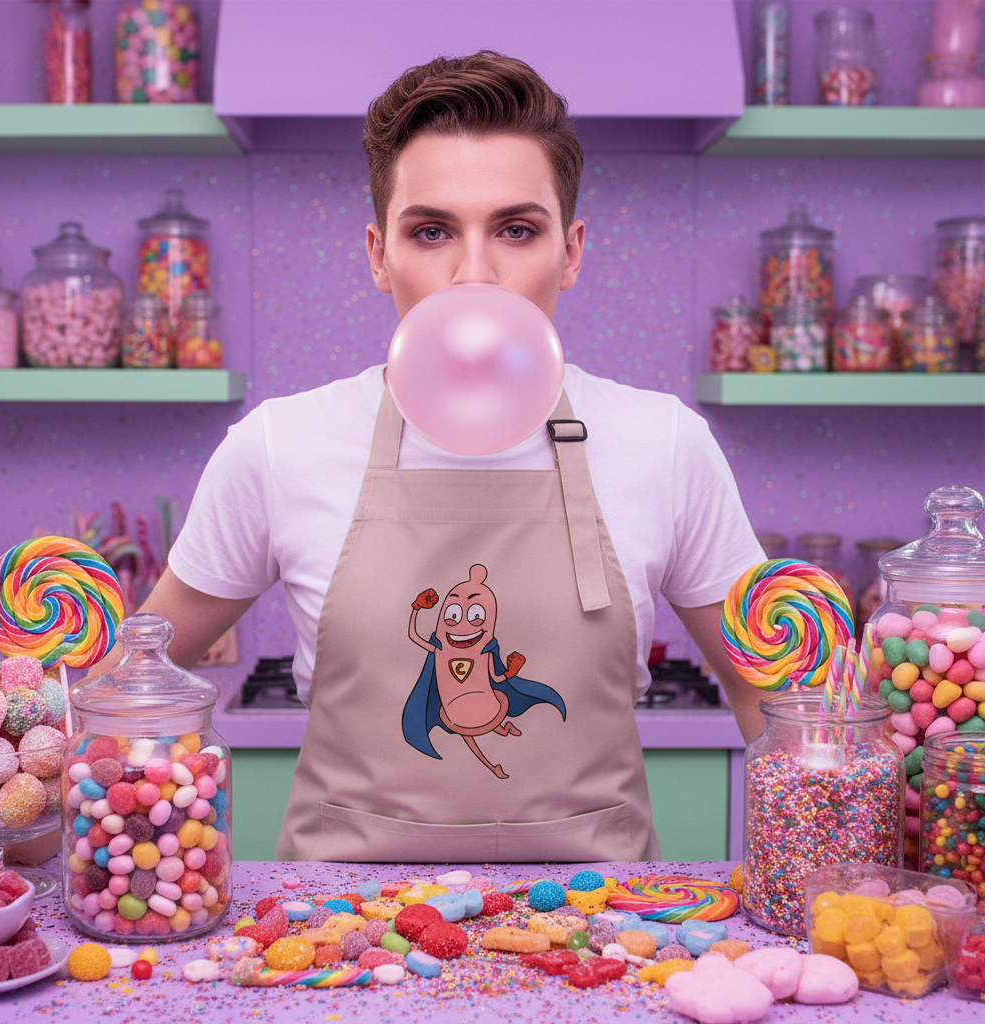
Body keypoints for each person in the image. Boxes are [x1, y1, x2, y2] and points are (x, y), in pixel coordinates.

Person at [97, 51, 766, 863]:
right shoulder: (279, 446)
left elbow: (773, 705)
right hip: (334, 948)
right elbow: (133, 683)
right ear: (380, 256)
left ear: (572, 251)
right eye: (431, 231)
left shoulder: (665, 443)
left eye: (517, 230)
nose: (473, 274)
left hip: (607, 942)